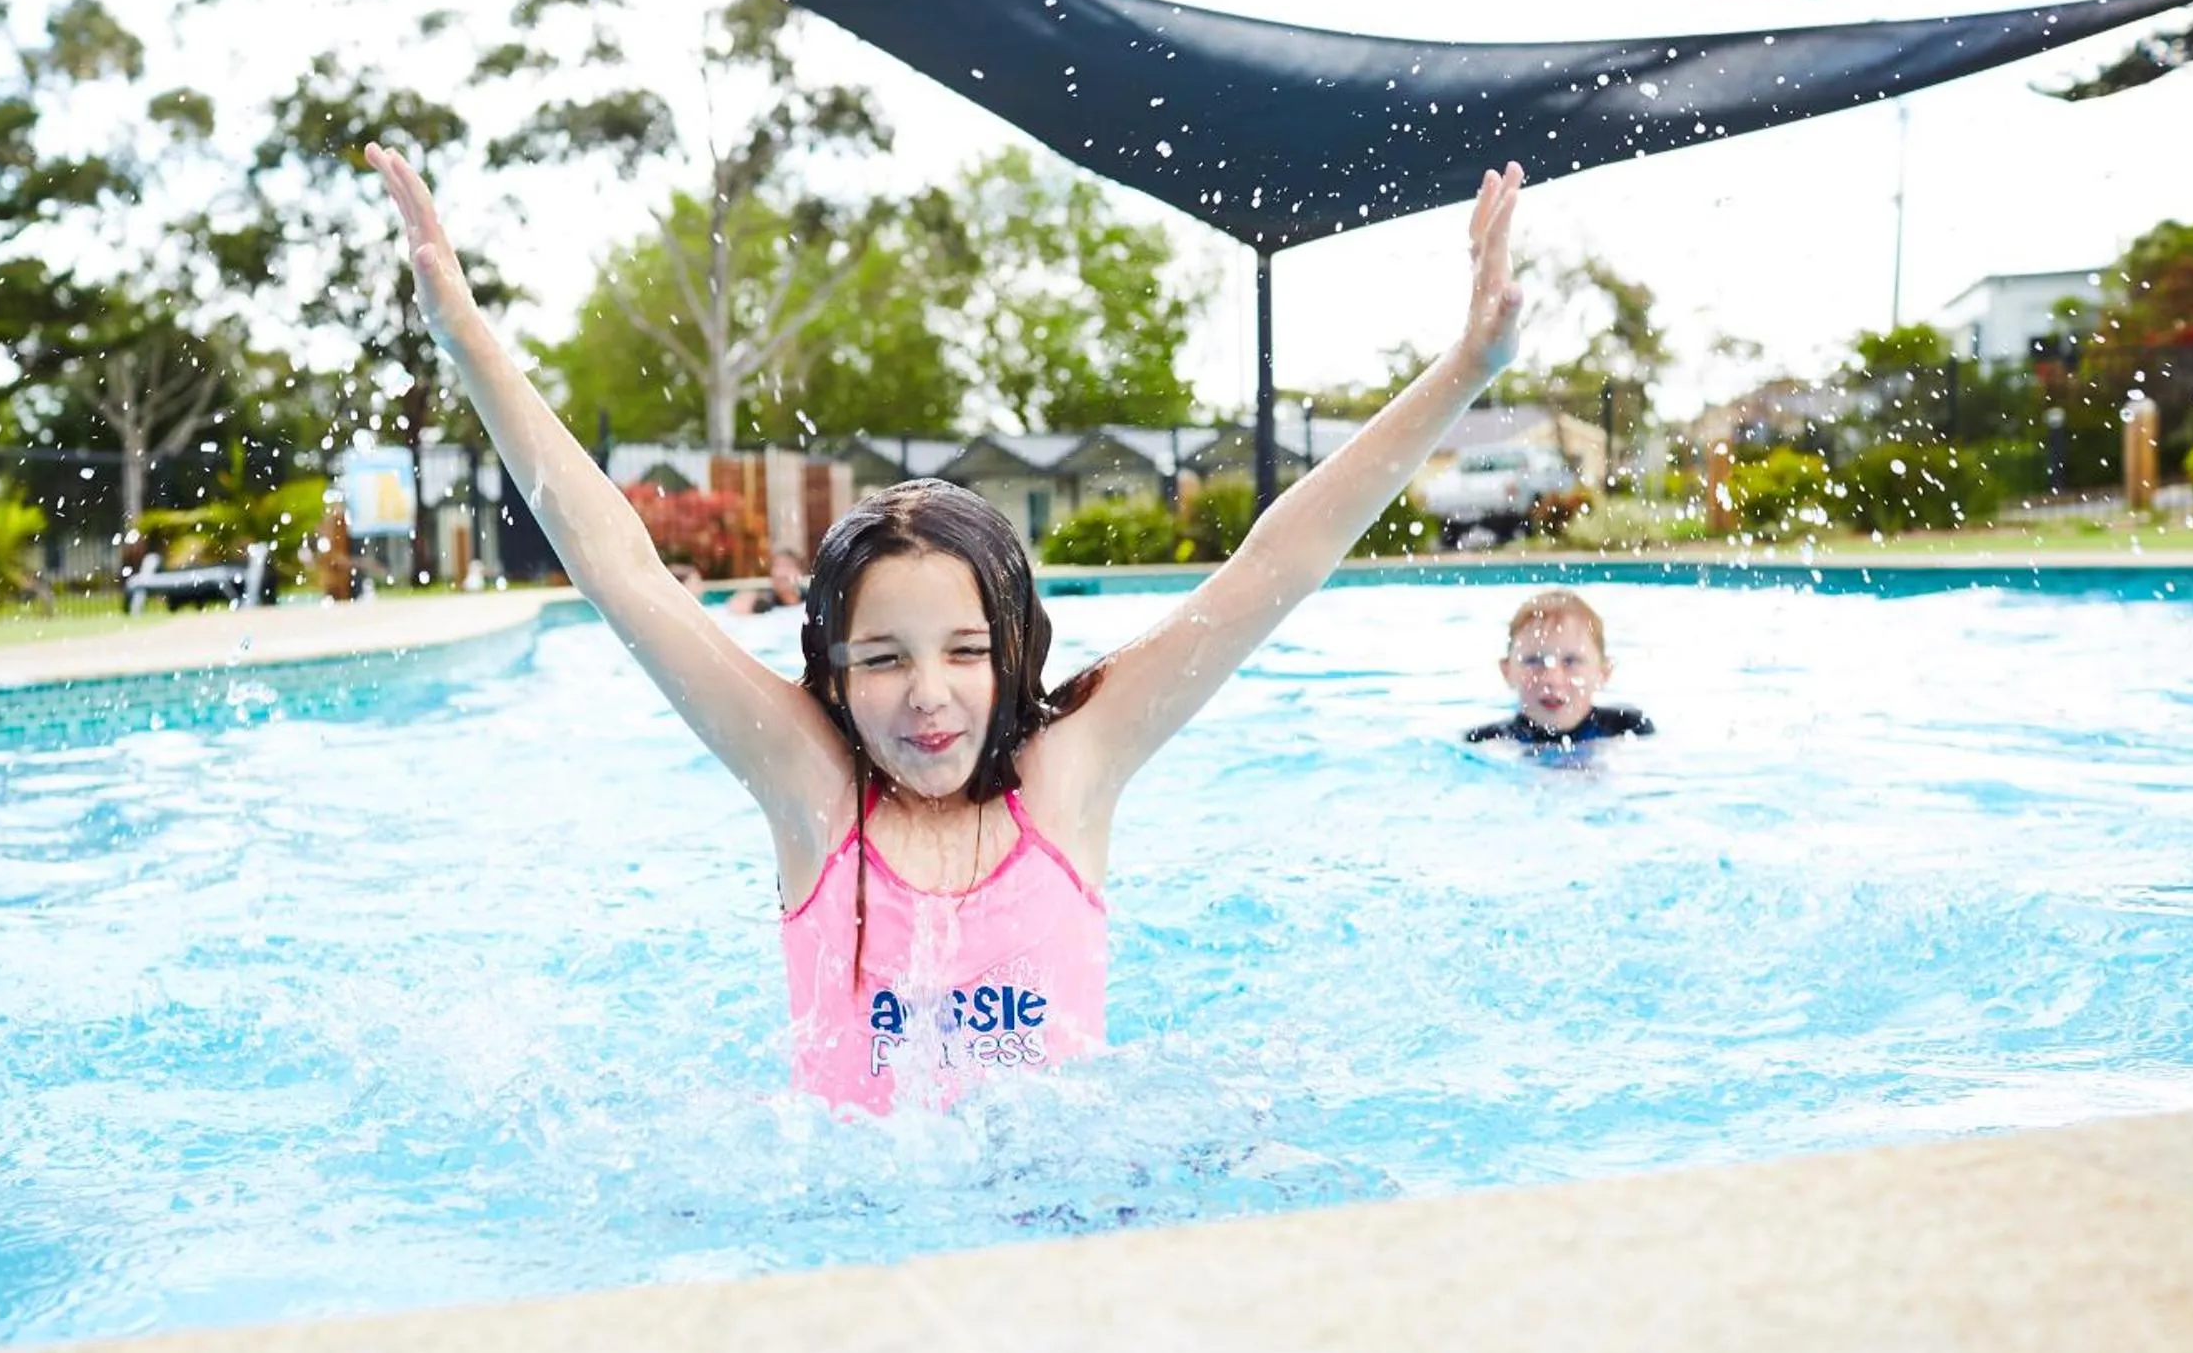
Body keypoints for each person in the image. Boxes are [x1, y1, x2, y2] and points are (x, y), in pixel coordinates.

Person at [364, 141, 1527, 1113]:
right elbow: (621, 569)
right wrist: (468, 338)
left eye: (966, 652)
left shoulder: (1068, 774)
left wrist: (1462, 372)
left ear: (1014, 651)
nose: (929, 692)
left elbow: (1278, 558)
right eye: (881, 657)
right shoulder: (810, 789)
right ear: (829, 670)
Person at [1464, 589, 1654, 747]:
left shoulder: (1628, 729)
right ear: (1507, 672)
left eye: (1571, 661)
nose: (1551, 679)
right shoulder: (1486, 741)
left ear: (1603, 673)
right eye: (1533, 661)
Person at [726, 547, 805, 615]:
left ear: (799, 573)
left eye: (787, 566)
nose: (780, 573)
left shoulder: (810, 600)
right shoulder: (765, 602)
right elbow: (735, 610)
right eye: (777, 566)